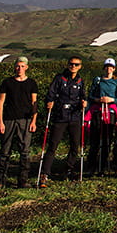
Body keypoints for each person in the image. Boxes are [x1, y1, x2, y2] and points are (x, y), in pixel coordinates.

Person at [39, 56, 87, 187]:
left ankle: (68, 170)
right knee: (53, 145)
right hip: (60, 116)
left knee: (74, 145)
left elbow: (83, 95)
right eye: (71, 64)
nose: (73, 66)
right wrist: (49, 101)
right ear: (67, 65)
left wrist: (84, 102)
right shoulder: (59, 78)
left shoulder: (80, 81)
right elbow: (51, 93)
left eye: (76, 64)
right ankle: (45, 173)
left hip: (75, 116)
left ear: (80, 66)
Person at [0, 56, 38, 190]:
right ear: (14, 67)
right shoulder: (7, 83)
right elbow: (0, 103)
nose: (20, 69)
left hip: (26, 120)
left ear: (27, 67)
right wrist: (0, 122)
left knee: (25, 152)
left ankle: (22, 181)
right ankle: (0, 181)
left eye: (22, 66)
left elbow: (34, 104)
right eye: (18, 66)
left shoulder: (32, 83)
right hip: (8, 120)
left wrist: (34, 121)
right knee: (5, 151)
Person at [86, 58, 117, 176]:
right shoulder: (97, 80)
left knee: (107, 139)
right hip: (97, 111)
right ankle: (91, 166)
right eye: (106, 66)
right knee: (95, 140)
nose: (108, 69)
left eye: (111, 67)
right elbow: (90, 95)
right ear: (104, 68)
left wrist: (111, 99)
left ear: (114, 68)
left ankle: (102, 166)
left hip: (111, 112)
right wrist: (98, 99)